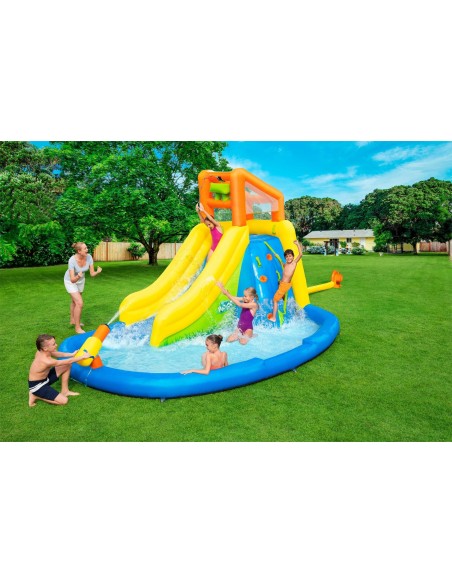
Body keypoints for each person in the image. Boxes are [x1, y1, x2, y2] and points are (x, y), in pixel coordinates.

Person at [28, 334, 92, 407]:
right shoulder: (47, 361)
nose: (56, 345)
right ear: (45, 348)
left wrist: (71, 354)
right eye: (53, 344)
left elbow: (56, 354)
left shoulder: (41, 351)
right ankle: (35, 395)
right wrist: (83, 357)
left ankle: (65, 391)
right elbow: (68, 361)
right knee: (64, 401)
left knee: (67, 366)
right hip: (37, 386)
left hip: (45, 379)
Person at [64, 242, 102, 333]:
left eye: (86, 248)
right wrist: (78, 276)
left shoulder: (89, 257)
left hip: (81, 280)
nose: (87, 250)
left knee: (75, 301)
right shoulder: (72, 260)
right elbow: (72, 279)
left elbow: (92, 274)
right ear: (79, 251)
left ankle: (73, 320)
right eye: (85, 248)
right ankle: (77, 328)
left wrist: (97, 272)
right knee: (79, 303)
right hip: (70, 281)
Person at [268, 240, 303, 322]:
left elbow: (301, 254)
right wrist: (277, 257)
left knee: (275, 300)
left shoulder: (294, 263)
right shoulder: (286, 264)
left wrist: (297, 244)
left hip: (285, 285)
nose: (288, 258)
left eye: (290, 256)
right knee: (283, 298)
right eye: (287, 256)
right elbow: (281, 263)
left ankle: (273, 317)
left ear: (293, 257)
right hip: (282, 284)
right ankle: (296, 311)